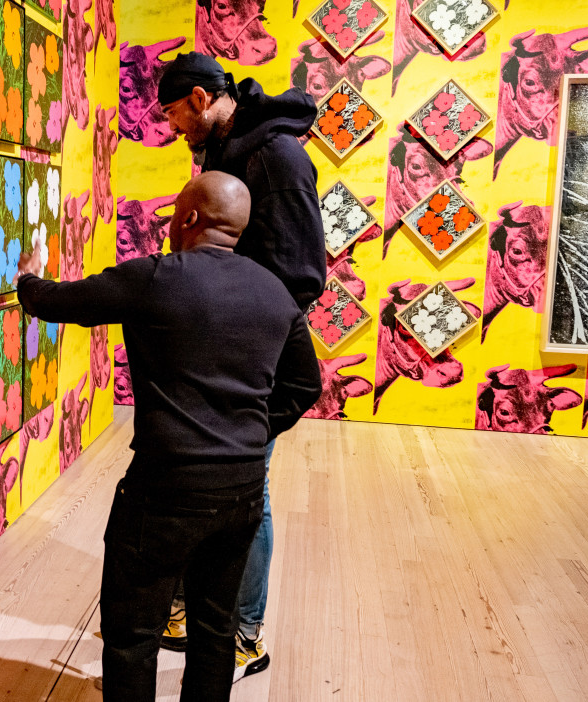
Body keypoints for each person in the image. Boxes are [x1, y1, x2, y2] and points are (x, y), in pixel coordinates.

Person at [16, 172, 322, 701]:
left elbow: (64, 302)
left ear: (190, 218)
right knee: (215, 630)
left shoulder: (155, 278)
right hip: (242, 490)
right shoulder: (274, 292)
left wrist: (28, 279)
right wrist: (248, 432)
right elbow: (304, 384)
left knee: (133, 635)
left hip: (164, 489)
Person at [155, 51, 327, 679]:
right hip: (221, 342)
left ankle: (244, 634)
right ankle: (191, 607)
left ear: (201, 99)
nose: (172, 126)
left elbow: (303, 272)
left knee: (247, 486)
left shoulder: (275, 157)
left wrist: (247, 321)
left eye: (174, 111)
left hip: (260, 349)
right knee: (205, 476)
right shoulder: (228, 150)